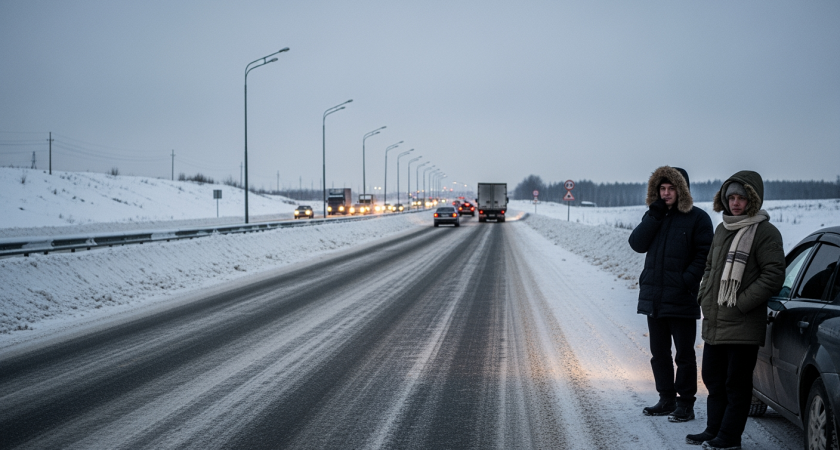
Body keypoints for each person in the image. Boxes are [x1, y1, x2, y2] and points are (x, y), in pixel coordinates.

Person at [686, 171, 785, 450]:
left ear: (752, 200)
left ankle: (729, 438)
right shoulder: (722, 229)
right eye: (731, 197)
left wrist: (741, 303)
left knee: (736, 385)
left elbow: (774, 275)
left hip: (742, 324)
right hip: (716, 321)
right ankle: (713, 430)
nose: (736, 203)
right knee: (713, 380)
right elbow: (710, 267)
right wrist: (705, 296)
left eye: (742, 197)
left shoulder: (765, 232)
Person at [629, 166, 713, 423]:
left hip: (681, 297)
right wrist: (654, 215)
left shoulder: (698, 218)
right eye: (661, 189)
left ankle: (685, 403)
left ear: (682, 190)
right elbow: (636, 244)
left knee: (684, 354)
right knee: (659, 353)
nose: (666, 194)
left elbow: (704, 255)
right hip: (655, 297)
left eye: (671, 189)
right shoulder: (654, 215)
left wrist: (686, 281)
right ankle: (666, 398)